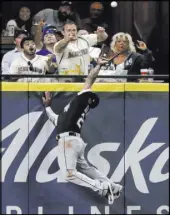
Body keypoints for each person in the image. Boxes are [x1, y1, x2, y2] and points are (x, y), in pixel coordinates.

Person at [42, 57, 123, 204]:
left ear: (89, 100)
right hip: (74, 140)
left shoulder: (82, 101)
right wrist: (47, 106)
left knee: (69, 174)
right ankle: (112, 186)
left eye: (89, 95)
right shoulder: (71, 111)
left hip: (68, 141)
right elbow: (55, 119)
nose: (87, 92)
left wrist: (98, 66)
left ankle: (102, 188)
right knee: (85, 168)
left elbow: (90, 79)